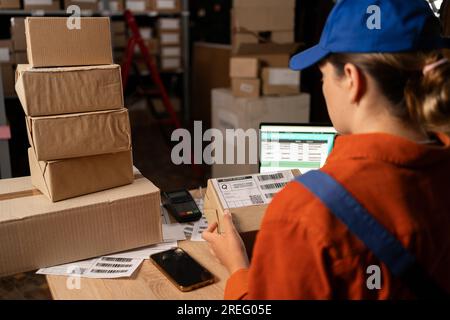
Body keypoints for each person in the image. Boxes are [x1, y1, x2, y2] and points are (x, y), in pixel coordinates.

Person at [203, 0, 450, 299]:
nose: (323, 87)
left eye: (323, 76)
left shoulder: (305, 213)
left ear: (352, 80)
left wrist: (238, 269)